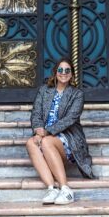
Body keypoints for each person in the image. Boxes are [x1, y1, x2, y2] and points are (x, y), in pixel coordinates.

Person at [26, 58, 94, 204]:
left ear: (72, 75)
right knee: (31, 143)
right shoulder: (44, 91)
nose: (64, 73)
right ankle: (51, 189)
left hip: (68, 138)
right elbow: (36, 113)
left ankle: (65, 189)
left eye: (67, 70)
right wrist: (38, 132)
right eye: (60, 70)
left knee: (47, 142)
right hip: (44, 135)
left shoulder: (77, 94)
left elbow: (70, 119)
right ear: (55, 73)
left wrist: (47, 132)